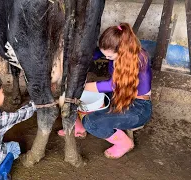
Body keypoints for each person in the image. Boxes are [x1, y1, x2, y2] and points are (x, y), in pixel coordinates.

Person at [58, 23, 152, 159]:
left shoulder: (138, 60)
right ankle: (78, 128)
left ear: (122, 50)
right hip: (120, 97)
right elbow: (96, 53)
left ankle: (124, 143)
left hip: (138, 108)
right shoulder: (121, 53)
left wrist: (82, 86)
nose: (106, 59)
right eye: (105, 55)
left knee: (91, 122)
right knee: (78, 98)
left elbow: (114, 85)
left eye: (109, 57)